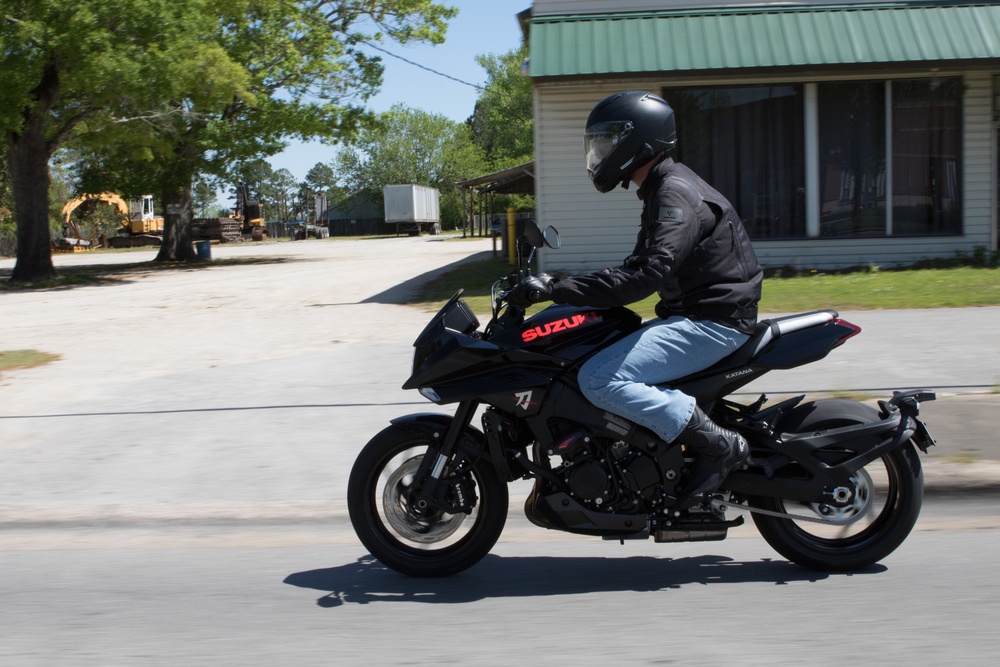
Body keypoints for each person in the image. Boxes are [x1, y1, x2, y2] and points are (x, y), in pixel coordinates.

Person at [519, 90, 763, 508]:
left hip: (713, 323)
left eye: (607, 142)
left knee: (597, 378)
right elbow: (638, 267)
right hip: (698, 316)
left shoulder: (673, 194)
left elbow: (643, 277)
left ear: (638, 140)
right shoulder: (662, 188)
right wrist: (566, 286)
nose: (600, 153)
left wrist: (555, 288)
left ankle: (717, 445)